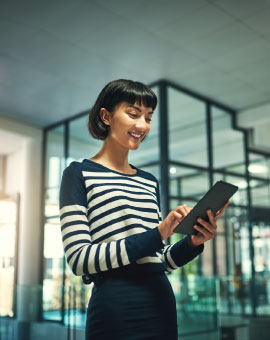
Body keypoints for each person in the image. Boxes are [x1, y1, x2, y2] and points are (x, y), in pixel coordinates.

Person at [59, 79, 229, 340]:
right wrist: (158, 233)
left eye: (148, 117)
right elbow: (80, 259)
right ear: (106, 116)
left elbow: (160, 260)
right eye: (133, 114)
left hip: (159, 302)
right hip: (113, 308)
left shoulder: (149, 181)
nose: (143, 125)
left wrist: (193, 243)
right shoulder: (78, 174)